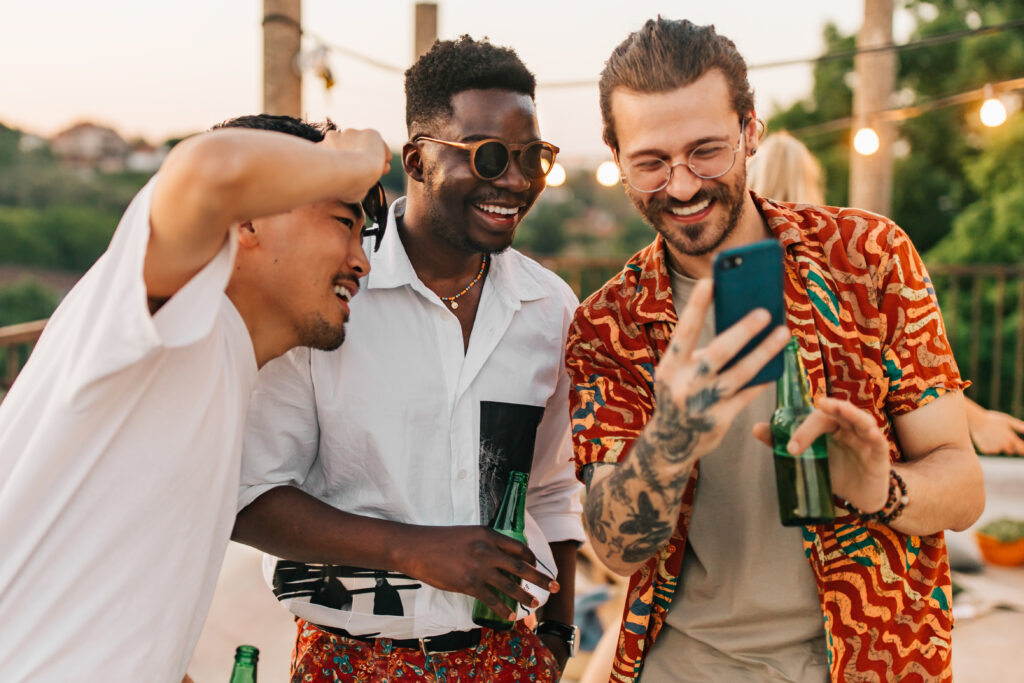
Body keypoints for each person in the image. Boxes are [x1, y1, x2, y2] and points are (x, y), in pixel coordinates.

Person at [566, 17, 985, 682]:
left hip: (872, 659)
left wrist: (881, 487)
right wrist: (670, 437)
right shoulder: (605, 324)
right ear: (617, 159)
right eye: (651, 162)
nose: (680, 186)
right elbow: (615, 549)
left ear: (751, 129)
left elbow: (963, 488)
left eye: (707, 150)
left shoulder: (869, 258)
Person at [232, 36, 584, 683]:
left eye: (534, 157)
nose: (515, 180)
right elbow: (250, 495)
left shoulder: (551, 308)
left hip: (510, 657)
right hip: (349, 658)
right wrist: (410, 549)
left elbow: (556, 489)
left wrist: (557, 637)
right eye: (490, 156)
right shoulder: (329, 290)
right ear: (418, 159)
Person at [0, 114, 389, 682]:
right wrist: (354, 161)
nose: (361, 261)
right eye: (342, 221)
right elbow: (209, 168)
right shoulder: (179, 314)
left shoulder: (222, 364)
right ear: (246, 221)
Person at [750, 131, 1024, 456]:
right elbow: (902, 376)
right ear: (809, 180)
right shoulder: (846, 264)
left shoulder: (734, 273)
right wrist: (977, 422)